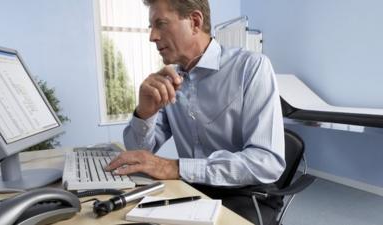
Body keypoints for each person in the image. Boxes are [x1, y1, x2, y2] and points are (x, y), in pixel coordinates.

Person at [105, 0, 285, 223]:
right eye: (151, 26)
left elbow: (267, 161)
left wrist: (175, 167)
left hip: (247, 193)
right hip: (193, 187)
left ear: (195, 22)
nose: (152, 36)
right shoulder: (168, 81)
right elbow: (138, 153)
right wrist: (145, 113)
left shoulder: (251, 67)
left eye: (160, 24)